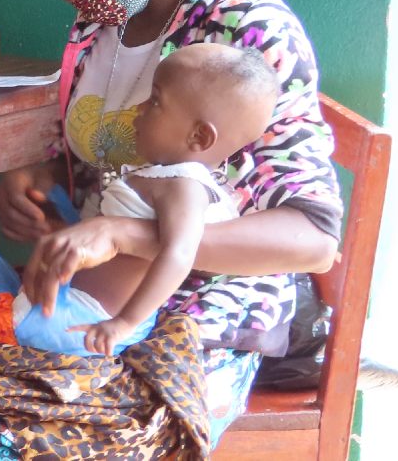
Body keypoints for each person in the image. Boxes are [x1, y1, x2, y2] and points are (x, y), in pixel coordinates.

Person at [0, 0, 342, 443]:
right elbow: (109, 161)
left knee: (49, 431)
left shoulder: (247, 31)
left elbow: (313, 237)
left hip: (208, 312)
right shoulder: (101, 18)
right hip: (95, 296)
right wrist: (38, 179)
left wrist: (127, 237)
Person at [15, 43, 280, 358]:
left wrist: (123, 323)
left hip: (89, 322)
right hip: (77, 308)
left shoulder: (184, 185)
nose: (139, 108)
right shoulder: (164, 175)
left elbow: (180, 252)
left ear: (199, 137)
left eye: (155, 100)